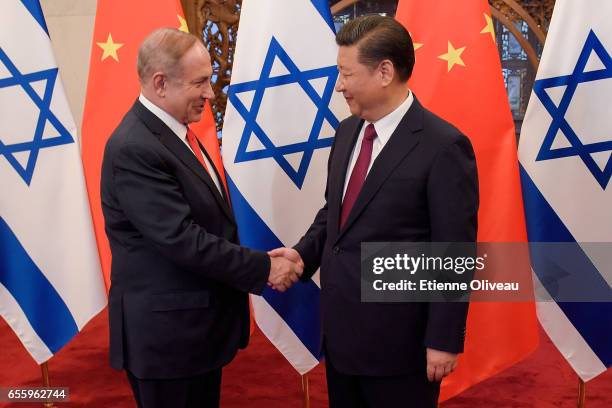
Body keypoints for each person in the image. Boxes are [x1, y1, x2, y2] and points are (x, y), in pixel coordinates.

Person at [270, 16, 479, 407]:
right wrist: (302, 254)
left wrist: (443, 340)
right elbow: (336, 213)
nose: (339, 85)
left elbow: (454, 251)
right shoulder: (347, 131)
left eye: (346, 74)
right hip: (342, 337)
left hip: (402, 348)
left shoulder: (444, 146)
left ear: (385, 71)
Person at [100, 28, 301, 408]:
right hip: (167, 340)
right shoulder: (135, 147)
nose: (211, 93)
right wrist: (264, 268)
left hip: (192, 333)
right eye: (201, 82)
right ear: (161, 83)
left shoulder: (174, 135)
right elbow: (181, 238)